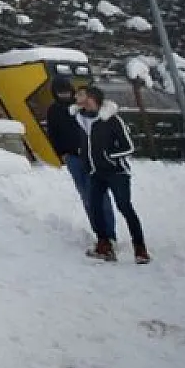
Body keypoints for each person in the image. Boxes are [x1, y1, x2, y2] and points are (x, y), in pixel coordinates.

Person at [79, 85, 150, 264]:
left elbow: (128, 147)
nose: (77, 99)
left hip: (117, 172)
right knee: (95, 207)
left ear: (92, 99)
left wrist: (108, 155)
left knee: (124, 207)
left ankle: (140, 248)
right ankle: (104, 246)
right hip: (96, 172)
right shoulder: (81, 119)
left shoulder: (112, 120)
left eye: (81, 95)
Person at [42, 77, 114, 244]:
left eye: (67, 91)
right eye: (61, 92)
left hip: (92, 158)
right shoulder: (53, 110)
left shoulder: (82, 107)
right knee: (86, 196)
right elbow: (53, 134)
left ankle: (110, 234)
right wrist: (62, 154)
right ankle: (100, 235)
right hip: (73, 159)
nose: (64, 95)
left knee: (100, 195)